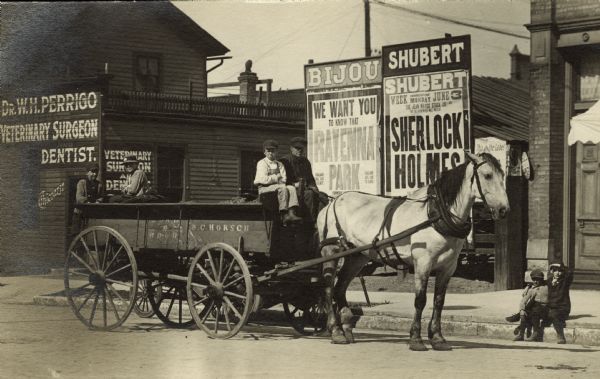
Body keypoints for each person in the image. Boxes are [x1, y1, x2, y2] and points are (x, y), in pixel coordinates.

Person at [254, 139, 302, 226]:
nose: (270, 153)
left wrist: (273, 179)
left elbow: (284, 179)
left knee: (291, 188)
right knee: (282, 187)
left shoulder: (280, 164)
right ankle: (284, 214)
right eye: (268, 151)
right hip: (264, 189)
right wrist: (276, 177)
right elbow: (262, 179)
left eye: (273, 151)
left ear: (276, 152)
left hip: (276, 187)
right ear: (264, 152)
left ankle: (291, 212)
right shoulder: (262, 163)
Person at [279, 136, 321, 223]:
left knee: (322, 196)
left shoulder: (306, 162)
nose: (300, 151)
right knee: (310, 195)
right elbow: (281, 181)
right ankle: (310, 223)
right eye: (297, 148)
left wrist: (314, 188)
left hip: (305, 189)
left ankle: (321, 222)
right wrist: (295, 184)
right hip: (290, 191)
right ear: (291, 148)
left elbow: (311, 179)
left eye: (302, 148)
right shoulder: (284, 161)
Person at [505, 268, 548, 341]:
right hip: (535, 308)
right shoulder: (532, 289)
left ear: (541, 279)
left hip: (544, 308)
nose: (535, 281)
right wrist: (521, 310)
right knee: (525, 313)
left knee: (534, 310)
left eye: (537, 279)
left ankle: (535, 333)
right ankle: (521, 335)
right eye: (534, 280)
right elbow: (523, 300)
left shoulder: (547, 287)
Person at [545, 261, 574, 344]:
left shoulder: (565, 281)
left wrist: (562, 267)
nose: (557, 273)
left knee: (554, 315)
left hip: (563, 307)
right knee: (535, 310)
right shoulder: (550, 281)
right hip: (551, 307)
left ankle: (560, 336)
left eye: (559, 271)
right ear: (552, 272)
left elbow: (570, 273)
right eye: (555, 271)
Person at [71, 166, 102, 237]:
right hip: (80, 214)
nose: (95, 174)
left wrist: (98, 201)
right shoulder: (82, 183)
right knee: (77, 236)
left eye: (96, 172)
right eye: (92, 172)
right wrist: (87, 202)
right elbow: (79, 197)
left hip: (91, 214)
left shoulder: (99, 184)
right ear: (87, 173)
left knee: (89, 235)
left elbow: (100, 196)